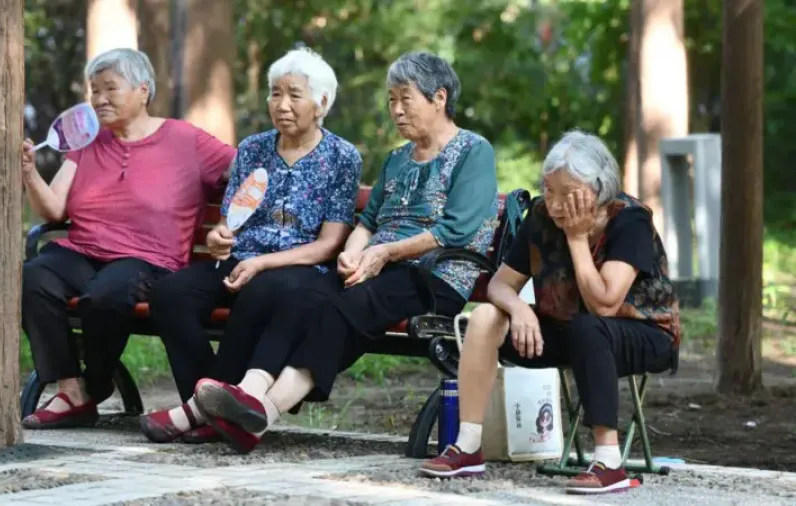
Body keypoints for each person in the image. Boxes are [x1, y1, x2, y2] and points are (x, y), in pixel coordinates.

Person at [185, 51, 500, 454]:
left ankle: (262, 414)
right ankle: (251, 392)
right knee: (302, 296)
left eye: (406, 99)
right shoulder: (397, 159)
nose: (396, 110)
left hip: (434, 275)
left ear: (439, 98)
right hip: (377, 268)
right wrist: (352, 253)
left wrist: (383, 253)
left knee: (343, 308)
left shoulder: (473, 151)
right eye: (391, 100)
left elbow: (455, 229)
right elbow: (367, 222)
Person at [419, 130, 680, 494]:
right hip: (565, 329)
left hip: (643, 332)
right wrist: (518, 309)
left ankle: (609, 463)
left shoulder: (629, 220)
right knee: (485, 317)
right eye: (549, 189)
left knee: (589, 327)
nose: (554, 204)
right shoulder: (541, 216)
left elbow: (604, 304)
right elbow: (499, 285)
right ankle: (468, 446)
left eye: (566, 193)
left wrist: (577, 238)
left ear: (597, 189)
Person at [139, 47, 362, 444]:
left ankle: (198, 412)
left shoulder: (342, 157)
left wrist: (263, 263)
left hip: (300, 269)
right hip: (242, 259)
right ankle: (213, 406)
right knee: (170, 294)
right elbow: (229, 222)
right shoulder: (253, 149)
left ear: (322, 103)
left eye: (294, 95)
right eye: (275, 93)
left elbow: (329, 245)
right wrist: (218, 238)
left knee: (262, 288)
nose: (282, 105)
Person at [20, 48, 236, 429]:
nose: (99, 99)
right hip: (84, 250)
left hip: (148, 260)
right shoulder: (87, 142)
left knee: (106, 295)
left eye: (110, 88)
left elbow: (248, 171)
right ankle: (71, 390)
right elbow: (53, 210)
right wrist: (29, 173)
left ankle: (95, 384)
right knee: (33, 277)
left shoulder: (186, 140)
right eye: (94, 90)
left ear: (143, 90)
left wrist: (229, 221)